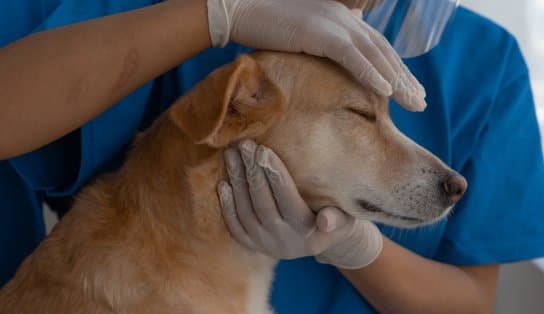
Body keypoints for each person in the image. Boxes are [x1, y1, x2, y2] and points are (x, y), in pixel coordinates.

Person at [0, 0, 543, 313]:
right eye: (361, 116)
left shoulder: (485, 64)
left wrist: (355, 248)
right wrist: (218, 13)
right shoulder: (146, 11)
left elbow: (471, 304)